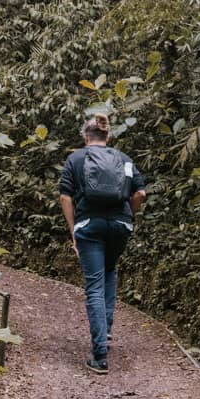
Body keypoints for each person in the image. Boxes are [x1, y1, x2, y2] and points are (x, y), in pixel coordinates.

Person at [59, 113, 146, 375]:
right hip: (120, 226)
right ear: (108, 137)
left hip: (89, 226)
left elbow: (65, 197)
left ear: (86, 136)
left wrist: (74, 231)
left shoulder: (75, 159)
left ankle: (99, 356)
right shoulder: (124, 159)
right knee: (110, 270)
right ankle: (105, 332)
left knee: (94, 284)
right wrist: (130, 214)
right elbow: (140, 193)